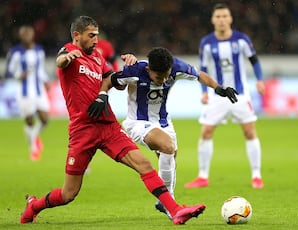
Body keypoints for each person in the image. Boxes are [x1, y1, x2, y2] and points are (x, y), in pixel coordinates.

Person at [20, 16, 205, 225]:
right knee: (68, 193)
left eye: (97, 36)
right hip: (82, 130)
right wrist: (68, 56)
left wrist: (129, 65)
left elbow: (115, 81)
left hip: (108, 126)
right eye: (91, 36)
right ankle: (34, 206)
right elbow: (60, 61)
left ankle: (175, 210)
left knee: (144, 164)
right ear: (77, 36)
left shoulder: (98, 57)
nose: (96, 41)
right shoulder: (68, 52)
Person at [87, 46, 238, 217]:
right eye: (159, 76)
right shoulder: (135, 71)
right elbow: (109, 81)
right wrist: (102, 95)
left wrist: (219, 88)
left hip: (164, 122)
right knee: (167, 146)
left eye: (167, 75)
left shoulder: (176, 67)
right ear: (149, 69)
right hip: (137, 122)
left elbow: (199, 75)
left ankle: (164, 202)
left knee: (170, 159)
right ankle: (170, 205)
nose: (164, 79)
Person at [184, 3, 266, 189]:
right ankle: (203, 176)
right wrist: (204, 92)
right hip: (217, 96)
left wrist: (260, 80)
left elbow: (254, 61)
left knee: (249, 131)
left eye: (224, 16)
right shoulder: (206, 42)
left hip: (241, 95)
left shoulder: (241, 40)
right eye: (218, 17)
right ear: (213, 20)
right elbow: (202, 70)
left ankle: (256, 175)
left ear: (230, 19)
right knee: (206, 132)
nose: (221, 20)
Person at [5, 25, 50, 161]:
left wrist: (46, 81)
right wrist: (19, 74)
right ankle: (33, 149)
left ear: (32, 35)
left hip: (38, 90)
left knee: (44, 119)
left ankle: (34, 137)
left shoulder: (39, 50)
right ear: (21, 36)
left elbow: (40, 69)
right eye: (24, 34)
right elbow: (9, 70)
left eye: (28, 34)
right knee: (29, 120)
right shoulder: (15, 52)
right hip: (24, 92)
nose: (26, 37)